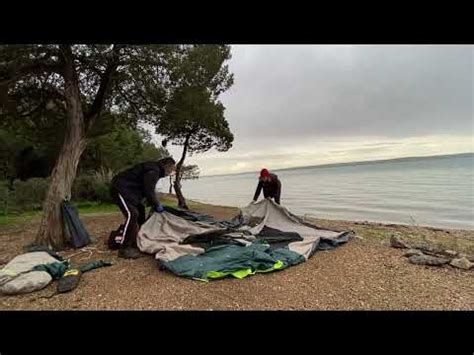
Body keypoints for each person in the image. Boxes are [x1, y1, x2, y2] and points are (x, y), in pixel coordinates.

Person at [110, 157, 176, 259]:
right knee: (132, 214)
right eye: (171, 169)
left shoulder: (154, 169)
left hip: (130, 192)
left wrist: (152, 202)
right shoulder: (153, 171)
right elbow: (149, 191)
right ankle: (124, 248)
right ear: (166, 165)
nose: (171, 172)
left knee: (140, 210)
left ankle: (138, 238)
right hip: (120, 188)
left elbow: (145, 188)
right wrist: (156, 204)